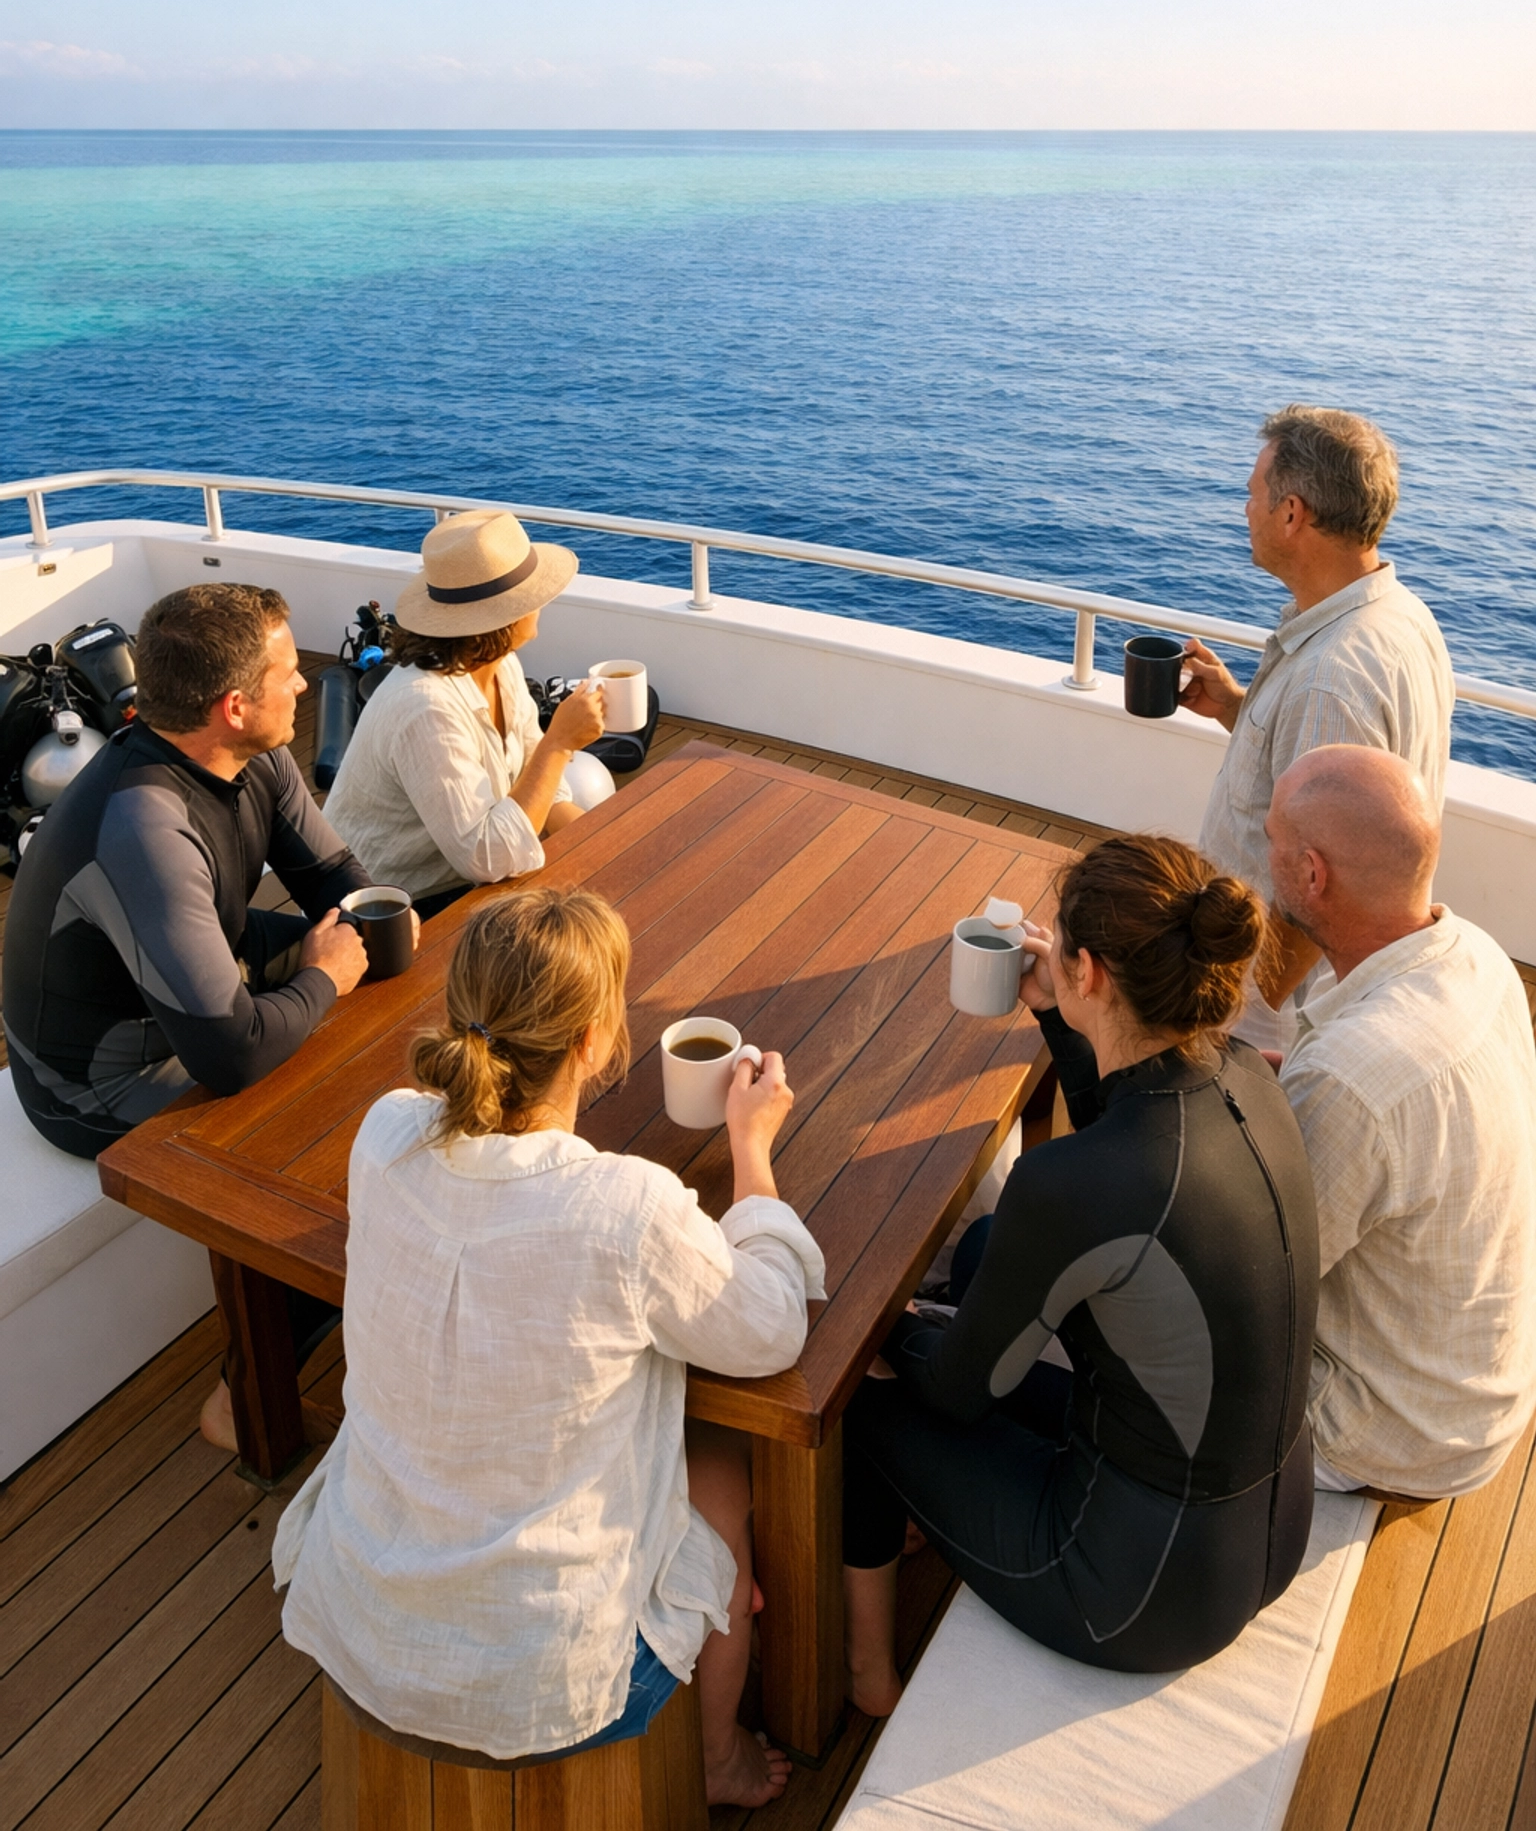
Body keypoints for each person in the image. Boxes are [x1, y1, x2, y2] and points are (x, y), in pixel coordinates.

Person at [273, 886, 824, 1809]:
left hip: (362, 1614)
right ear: (592, 1044)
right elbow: (770, 1327)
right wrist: (752, 1148)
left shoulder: (386, 1134)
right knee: (725, 1470)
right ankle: (718, 1757)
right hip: (550, 1683)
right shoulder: (624, 1208)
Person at [841, 835, 1319, 1705]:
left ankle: (867, 1676)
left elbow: (958, 1390)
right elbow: (1133, 1140)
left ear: (1090, 969)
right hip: (1270, 1530)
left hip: (1133, 1592)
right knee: (989, 1256)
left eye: (1057, 944)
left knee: (858, 1401)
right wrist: (1059, 1014)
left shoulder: (1071, 1184)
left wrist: (886, 1324)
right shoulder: (1248, 1075)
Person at [1, 582, 402, 1450]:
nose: (308, 685)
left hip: (190, 974)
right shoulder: (142, 824)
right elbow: (231, 1054)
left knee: (377, 1010)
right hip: (98, 1078)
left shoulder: (255, 754)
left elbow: (341, 890)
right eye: (292, 674)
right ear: (234, 704)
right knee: (322, 1129)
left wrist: (366, 954)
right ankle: (243, 1395)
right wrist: (324, 978)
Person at [1267, 745, 1536, 1499]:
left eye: (1273, 842)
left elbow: (1252, 1279)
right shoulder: (1476, 956)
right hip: (1476, 1386)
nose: (1265, 855)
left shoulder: (1350, 1081)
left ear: (1312, 874)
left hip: (1394, 1431)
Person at [1180, 405, 1454, 1024]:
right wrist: (1236, 708)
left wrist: (1242, 1011)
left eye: (1252, 495)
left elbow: (1323, 886)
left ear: (1291, 513)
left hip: (1268, 1006)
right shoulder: (1401, 615)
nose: (1244, 510)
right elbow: (1324, 789)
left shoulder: (1331, 679)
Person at [325, 508, 607, 917]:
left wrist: (609, 843)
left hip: (461, 877)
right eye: (530, 594)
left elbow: (538, 785)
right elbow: (487, 858)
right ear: (501, 617)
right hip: (386, 908)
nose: (543, 600)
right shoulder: (426, 708)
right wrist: (560, 743)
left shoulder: (500, 664)